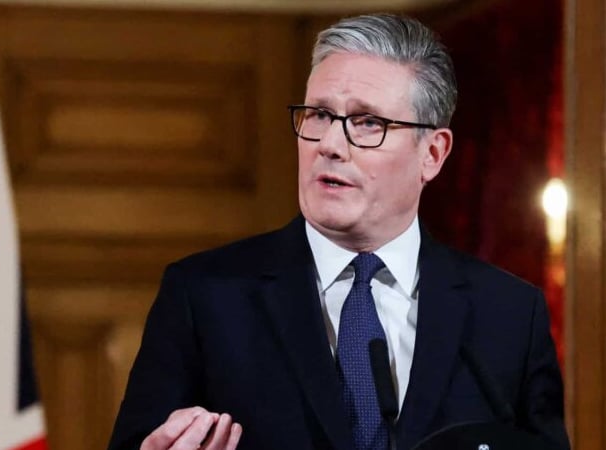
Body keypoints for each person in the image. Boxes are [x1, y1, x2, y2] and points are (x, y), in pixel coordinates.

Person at [108, 13, 569, 450]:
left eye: (367, 123)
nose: (329, 145)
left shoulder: (509, 315)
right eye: (319, 115)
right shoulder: (205, 297)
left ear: (432, 154)